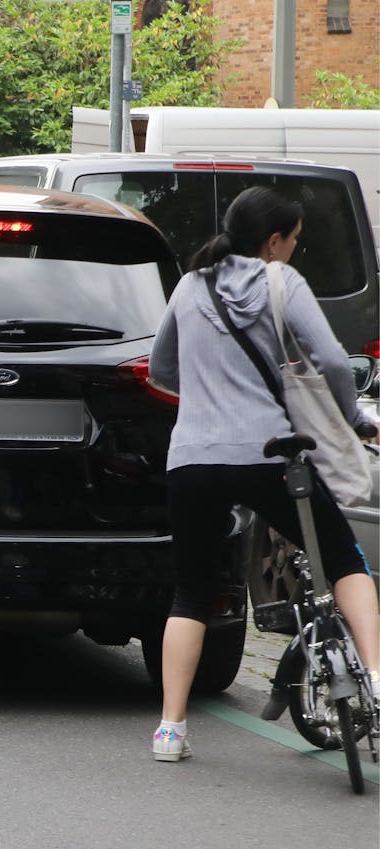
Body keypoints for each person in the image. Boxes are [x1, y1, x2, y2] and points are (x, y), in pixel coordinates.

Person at [147, 185, 379, 763]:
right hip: (267, 456)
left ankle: (171, 730)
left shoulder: (189, 286)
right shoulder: (282, 283)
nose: (295, 251)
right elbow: (328, 358)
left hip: (192, 460)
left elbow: (160, 368)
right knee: (345, 559)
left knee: (192, 593)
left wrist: (206, 397)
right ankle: (376, 677)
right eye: (295, 240)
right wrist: (351, 418)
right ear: (273, 241)